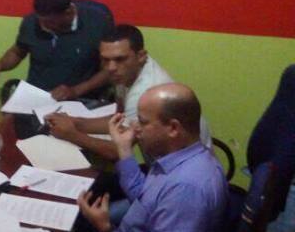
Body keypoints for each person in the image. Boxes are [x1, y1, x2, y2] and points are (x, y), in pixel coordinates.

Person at [60, 83, 229, 232]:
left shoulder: (186, 188)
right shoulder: (184, 159)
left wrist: (107, 231)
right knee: (69, 228)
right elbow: (145, 197)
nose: (135, 128)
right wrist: (124, 149)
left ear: (173, 128)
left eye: (143, 122)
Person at [45, 24, 212, 160]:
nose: (111, 68)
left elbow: (117, 151)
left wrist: (71, 134)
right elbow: (119, 119)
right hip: (160, 166)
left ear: (141, 56)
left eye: (120, 59)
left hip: (180, 175)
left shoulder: (144, 92)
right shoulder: (128, 72)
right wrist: (75, 122)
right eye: (105, 60)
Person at [0, 0, 113, 101]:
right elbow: (17, 52)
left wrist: (76, 90)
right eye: (39, 19)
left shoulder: (98, 23)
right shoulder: (31, 22)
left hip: (81, 100)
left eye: (49, 22)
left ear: (68, 12)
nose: (42, 25)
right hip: (37, 98)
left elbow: (110, 69)